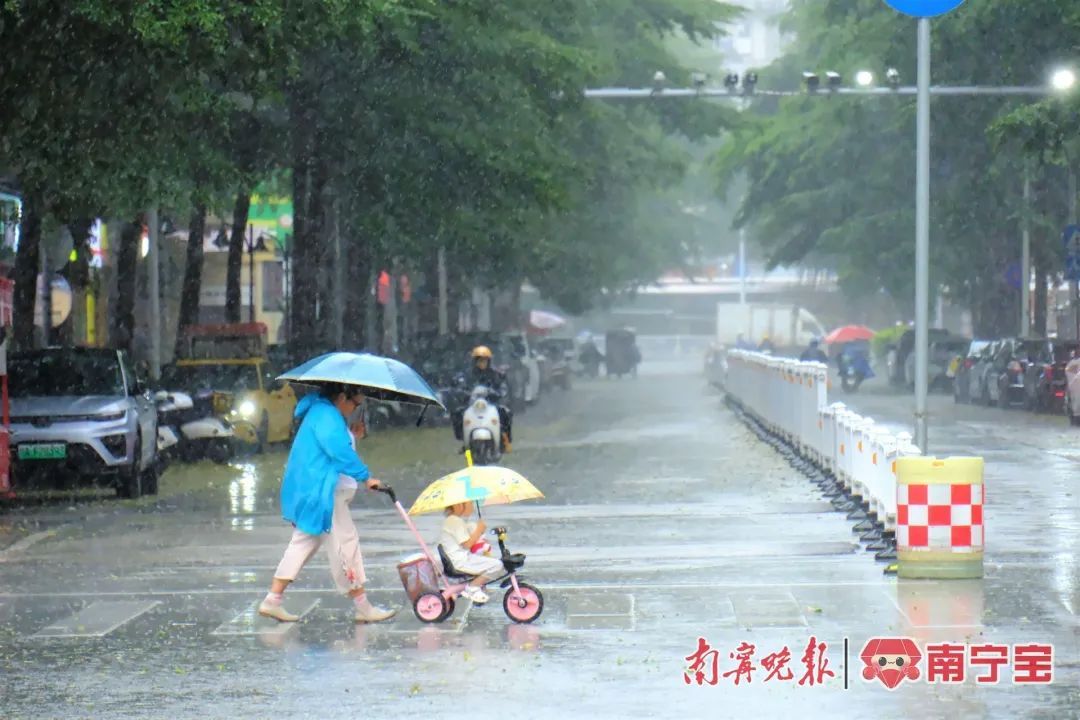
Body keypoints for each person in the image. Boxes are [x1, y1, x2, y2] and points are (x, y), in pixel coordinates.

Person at [259, 382, 396, 624]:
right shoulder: (326, 416)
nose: (355, 408)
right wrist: (366, 477)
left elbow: (336, 447)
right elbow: (338, 453)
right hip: (324, 493)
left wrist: (352, 436)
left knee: (303, 543)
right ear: (343, 396)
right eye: (355, 403)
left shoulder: (323, 413)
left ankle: (272, 600)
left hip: (315, 490)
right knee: (345, 545)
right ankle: (363, 606)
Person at [439, 501, 506, 604]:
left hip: (463, 558)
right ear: (458, 505)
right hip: (460, 562)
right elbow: (467, 544)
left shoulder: (457, 521)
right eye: (470, 504)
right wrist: (479, 530)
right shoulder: (454, 521)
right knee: (497, 565)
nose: (472, 507)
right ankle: (472, 588)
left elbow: (471, 542)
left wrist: (479, 534)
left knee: (492, 564)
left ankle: (477, 586)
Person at [452, 346, 513, 451]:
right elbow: (460, 387)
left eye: (484, 361)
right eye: (479, 361)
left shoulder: (496, 374)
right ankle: (464, 438)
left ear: (489, 361)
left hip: (491, 405)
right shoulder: (468, 375)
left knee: (506, 413)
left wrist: (495, 393)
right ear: (474, 361)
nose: (482, 363)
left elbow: (503, 388)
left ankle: (505, 440)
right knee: (457, 413)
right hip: (472, 405)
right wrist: (463, 393)